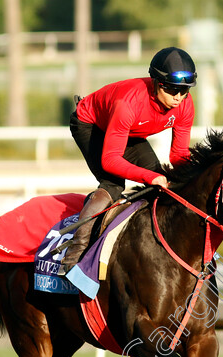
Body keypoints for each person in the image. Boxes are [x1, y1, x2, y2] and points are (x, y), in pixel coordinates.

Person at [58, 46, 197, 275]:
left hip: (129, 132)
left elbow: (178, 155)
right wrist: (151, 177)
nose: (178, 97)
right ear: (157, 83)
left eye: (184, 91)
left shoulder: (185, 105)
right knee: (114, 184)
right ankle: (75, 254)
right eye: (173, 89)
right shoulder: (129, 103)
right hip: (91, 125)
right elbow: (110, 160)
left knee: (161, 186)